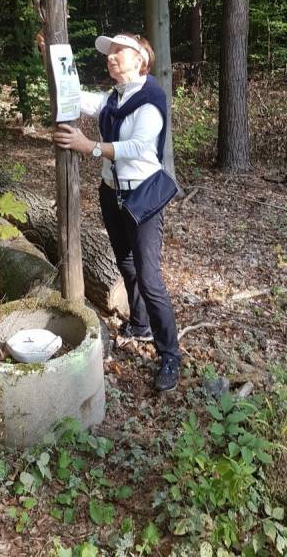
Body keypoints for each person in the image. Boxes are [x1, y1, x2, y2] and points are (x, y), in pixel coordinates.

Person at [40, 31, 181, 391]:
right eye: (109, 52)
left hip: (142, 196)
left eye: (120, 51)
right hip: (112, 193)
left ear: (140, 60)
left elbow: (138, 146)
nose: (111, 56)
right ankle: (140, 324)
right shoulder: (114, 98)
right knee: (126, 263)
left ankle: (170, 355)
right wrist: (49, 59)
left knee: (149, 277)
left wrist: (88, 146)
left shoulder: (150, 99)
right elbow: (76, 96)